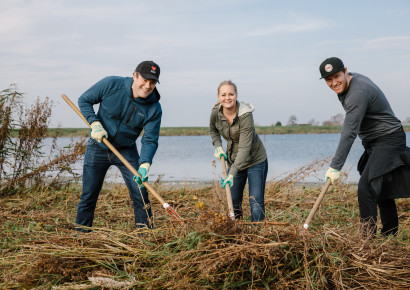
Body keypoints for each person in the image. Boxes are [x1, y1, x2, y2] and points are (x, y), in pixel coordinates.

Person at [319, 57, 410, 237]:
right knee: (380, 185)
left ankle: (366, 240)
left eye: (336, 76)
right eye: (328, 80)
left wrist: (335, 166)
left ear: (345, 71)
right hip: (375, 141)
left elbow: (349, 132)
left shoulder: (357, 93)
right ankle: (390, 233)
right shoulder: (349, 83)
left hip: (388, 139)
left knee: (366, 187)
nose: (333, 83)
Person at [75, 60, 162, 232]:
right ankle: (81, 236)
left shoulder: (154, 108)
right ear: (135, 76)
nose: (147, 85)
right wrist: (95, 124)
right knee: (89, 194)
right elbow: (84, 100)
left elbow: (150, 139)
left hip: (126, 150)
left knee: (140, 192)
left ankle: (145, 234)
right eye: (144, 80)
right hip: (98, 146)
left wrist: (144, 165)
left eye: (152, 82)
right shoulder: (111, 84)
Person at [209, 80, 268, 222]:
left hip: (255, 161)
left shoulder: (245, 115)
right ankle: (237, 233)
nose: (227, 98)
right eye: (223, 94)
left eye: (231, 94)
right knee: (233, 202)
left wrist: (232, 173)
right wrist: (218, 146)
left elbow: (244, 147)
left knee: (255, 202)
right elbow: (213, 130)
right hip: (234, 160)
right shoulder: (215, 113)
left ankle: (258, 237)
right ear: (218, 96)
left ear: (236, 95)